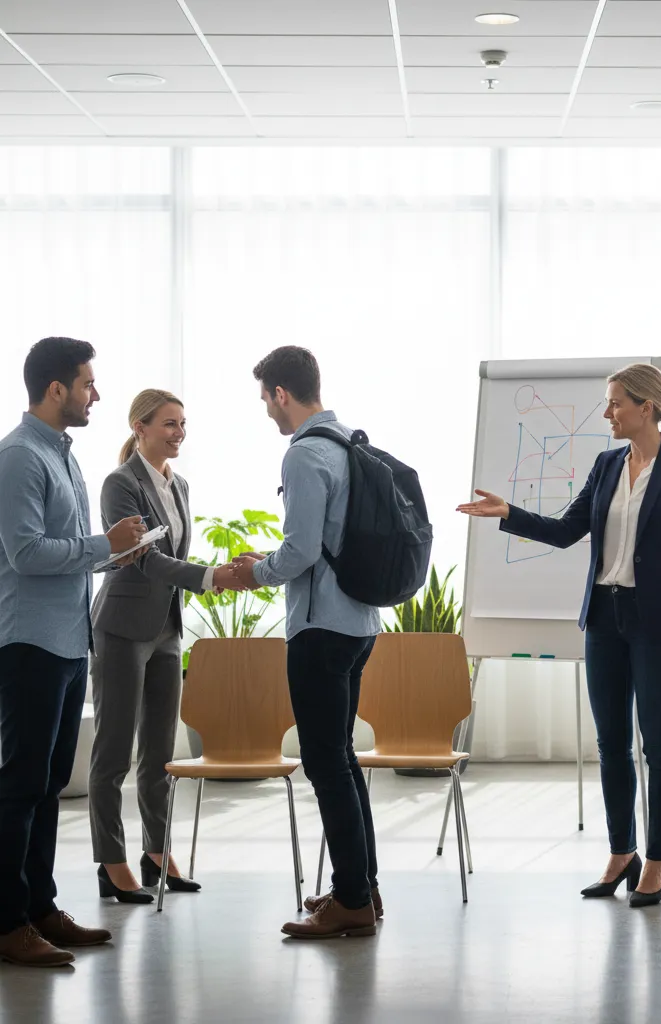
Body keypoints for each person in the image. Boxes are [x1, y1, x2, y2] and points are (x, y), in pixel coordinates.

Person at [458, 363, 661, 907]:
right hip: (604, 617)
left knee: (659, 744)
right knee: (611, 744)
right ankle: (623, 854)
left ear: (646, 407)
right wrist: (510, 513)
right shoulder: (606, 464)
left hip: (658, 624)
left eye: (616, 403)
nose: (607, 413)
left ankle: (659, 861)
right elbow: (567, 530)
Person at [0, 337, 148, 968]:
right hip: (28, 642)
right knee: (21, 785)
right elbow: (25, 554)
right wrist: (100, 543)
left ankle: (38, 907)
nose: (95, 394)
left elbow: (75, 550)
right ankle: (7, 922)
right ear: (55, 388)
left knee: (51, 783)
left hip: (65, 641)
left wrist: (117, 551)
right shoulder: (17, 458)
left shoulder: (65, 457)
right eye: (87, 383)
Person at [230, 346, 382, 940]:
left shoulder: (306, 456)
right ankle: (362, 890)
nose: (266, 411)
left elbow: (299, 552)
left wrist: (254, 571)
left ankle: (350, 901)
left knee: (325, 763)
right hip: (360, 624)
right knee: (341, 759)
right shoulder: (351, 443)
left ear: (280, 394)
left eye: (266, 399)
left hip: (321, 629)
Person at [89, 389, 242, 904]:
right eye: (168, 424)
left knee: (160, 752)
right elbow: (145, 558)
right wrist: (212, 577)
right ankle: (111, 862)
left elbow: (171, 555)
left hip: (167, 629)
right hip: (123, 626)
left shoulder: (181, 486)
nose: (178, 432)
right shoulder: (119, 483)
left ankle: (157, 853)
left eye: (183, 424)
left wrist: (209, 575)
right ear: (140, 427)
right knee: (112, 753)